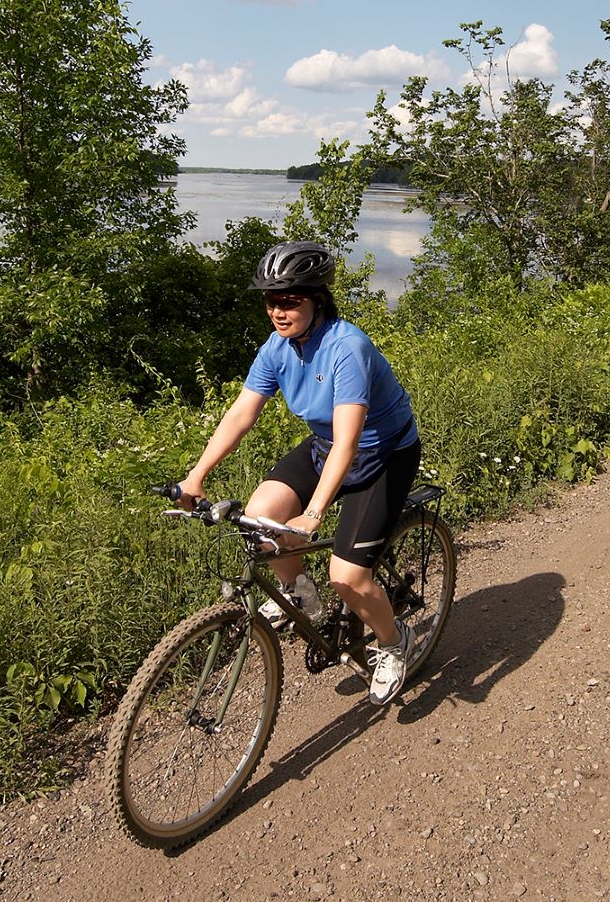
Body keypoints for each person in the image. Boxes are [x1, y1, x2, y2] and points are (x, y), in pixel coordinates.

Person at [178, 241, 425, 707]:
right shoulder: (277, 347)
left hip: (382, 453)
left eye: (290, 300)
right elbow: (240, 415)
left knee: (348, 577)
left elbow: (351, 440)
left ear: (317, 299)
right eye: (271, 300)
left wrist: (313, 513)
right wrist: (197, 475)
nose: (278, 310)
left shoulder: (347, 348)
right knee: (261, 517)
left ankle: (396, 642)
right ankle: (299, 592)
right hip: (325, 447)